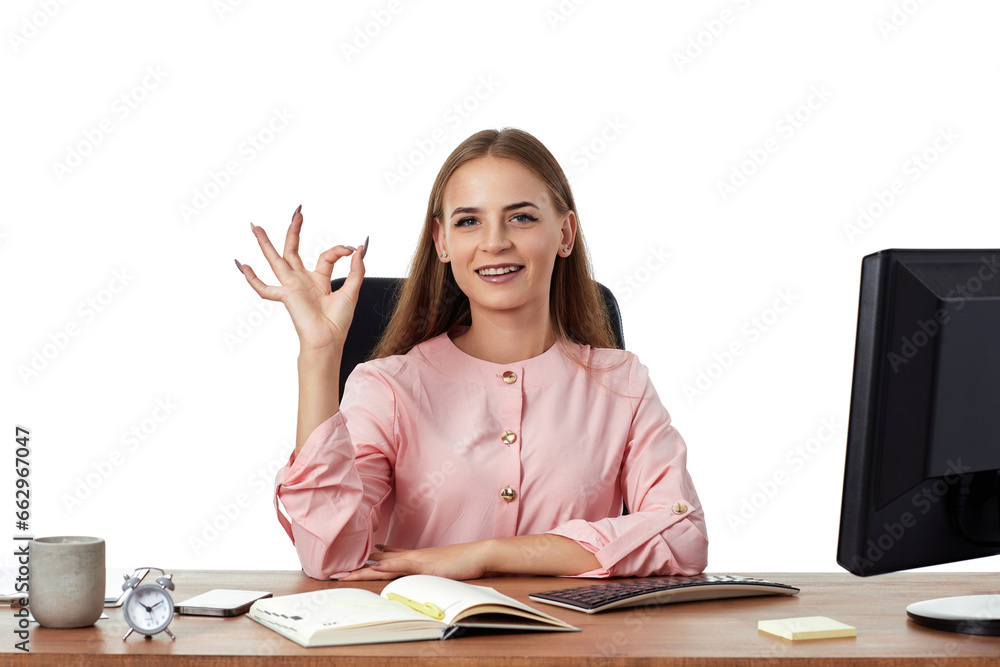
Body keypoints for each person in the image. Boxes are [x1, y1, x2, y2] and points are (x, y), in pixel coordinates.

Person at [236, 128, 708, 581]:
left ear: (565, 234)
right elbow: (330, 554)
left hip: (573, 650)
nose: (495, 241)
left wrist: (483, 556)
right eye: (468, 221)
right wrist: (320, 356)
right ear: (443, 242)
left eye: (521, 217)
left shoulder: (622, 383)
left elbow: (681, 533)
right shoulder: (388, 387)